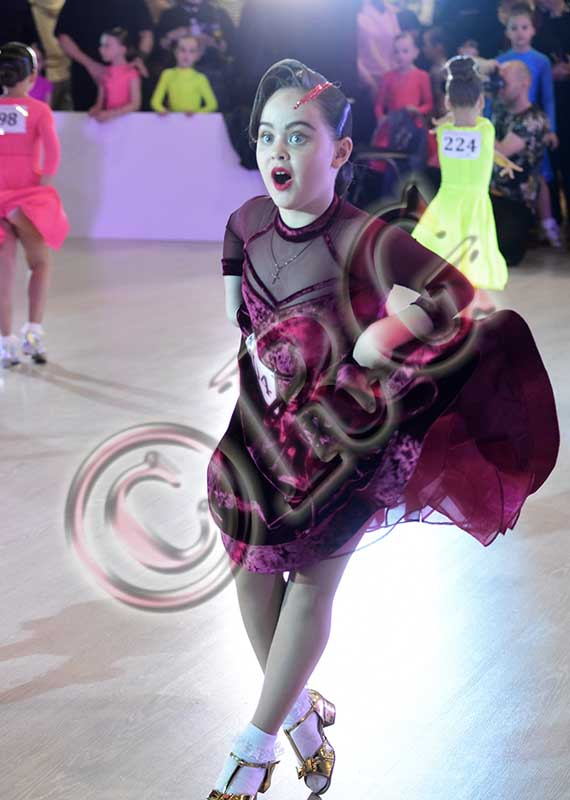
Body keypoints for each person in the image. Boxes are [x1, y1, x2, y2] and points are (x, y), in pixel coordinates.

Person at [204, 57, 559, 799]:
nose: (277, 151)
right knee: (250, 570)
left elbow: (454, 290)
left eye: (299, 136)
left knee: (311, 581)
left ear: (339, 151)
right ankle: (300, 717)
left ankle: (252, 752)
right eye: (266, 135)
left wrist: (387, 334)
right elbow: (241, 310)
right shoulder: (243, 223)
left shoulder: (364, 236)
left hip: (347, 433)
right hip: (266, 425)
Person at [411, 56, 522, 318]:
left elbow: (468, 137)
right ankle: (470, 303)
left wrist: (447, 117)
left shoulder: (444, 132)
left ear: (448, 102)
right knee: (472, 253)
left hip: (447, 202)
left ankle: (471, 300)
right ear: (481, 101)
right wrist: (503, 161)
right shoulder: (486, 129)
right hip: (475, 204)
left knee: (454, 254)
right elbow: (485, 147)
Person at [0, 42, 69, 367]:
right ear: (32, 76)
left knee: (4, 274)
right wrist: (41, 189)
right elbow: (52, 154)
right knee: (39, 264)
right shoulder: (38, 110)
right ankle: (32, 336)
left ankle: (5, 343)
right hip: (24, 200)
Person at [496, 3, 561, 246]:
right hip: (506, 122)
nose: (520, 32)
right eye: (514, 28)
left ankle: (548, 224)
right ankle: (517, 223)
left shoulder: (541, 61)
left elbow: (548, 97)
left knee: (540, 174)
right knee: (506, 170)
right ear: (507, 32)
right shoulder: (500, 61)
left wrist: (551, 129)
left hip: (532, 123)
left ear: (533, 30)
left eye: (524, 27)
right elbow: (493, 98)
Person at [491, 59, 550, 264]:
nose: (500, 87)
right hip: (490, 196)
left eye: (504, 82)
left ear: (524, 82)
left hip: (515, 204)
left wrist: (474, 122)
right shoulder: (500, 112)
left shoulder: (534, 119)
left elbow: (502, 152)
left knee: (507, 254)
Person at [54, 0, 153, 111]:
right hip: (86, 77)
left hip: (128, 74)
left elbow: (147, 33)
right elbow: (63, 37)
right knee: (88, 116)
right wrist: (91, 65)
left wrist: (140, 59)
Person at [370, 31, 433, 180]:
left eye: (405, 51)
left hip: (413, 129)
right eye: (396, 52)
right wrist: (381, 118)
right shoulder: (387, 77)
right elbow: (379, 104)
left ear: (415, 52)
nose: (400, 56)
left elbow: (429, 104)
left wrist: (416, 110)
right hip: (392, 129)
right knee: (389, 168)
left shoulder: (422, 76)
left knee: (412, 167)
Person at [154, 0, 236, 111]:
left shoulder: (218, 14)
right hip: (178, 78)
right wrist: (172, 36)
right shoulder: (169, 15)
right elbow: (157, 48)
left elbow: (233, 48)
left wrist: (211, 42)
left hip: (214, 77)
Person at [534, 0, 570, 240]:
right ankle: (553, 222)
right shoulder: (538, 23)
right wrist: (551, 72)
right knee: (551, 163)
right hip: (549, 103)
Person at [150, 34, 218, 114]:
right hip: (173, 119)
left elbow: (212, 104)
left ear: (197, 56)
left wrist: (196, 113)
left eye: (192, 51)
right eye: (182, 50)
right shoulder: (167, 74)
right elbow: (155, 102)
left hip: (193, 120)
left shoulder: (200, 78)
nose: (186, 55)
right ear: (175, 52)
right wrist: (162, 110)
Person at [87, 28, 142, 122]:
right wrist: (96, 109)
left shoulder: (132, 73)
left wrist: (112, 114)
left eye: (107, 46)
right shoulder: (104, 73)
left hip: (128, 122)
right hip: (109, 123)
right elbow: (100, 102)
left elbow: (136, 104)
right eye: (101, 45)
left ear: (122, 49)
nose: (100, 49)